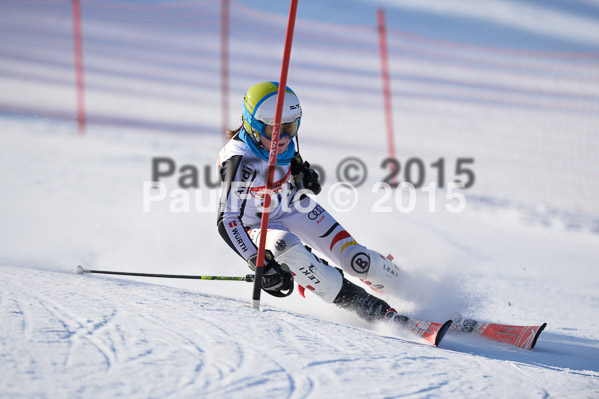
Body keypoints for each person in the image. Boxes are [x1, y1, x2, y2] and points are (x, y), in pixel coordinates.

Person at [217, 81, 406, 323]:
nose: (284, 137)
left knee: (357, 260)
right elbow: (227, 219)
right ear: (254, 127)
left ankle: (410, 287)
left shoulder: (280, 143)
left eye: (291, 127)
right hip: (255, 224)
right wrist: (259, 261)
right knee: (286, 247)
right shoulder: (239, 160)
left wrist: (301, 176)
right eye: (275, 131)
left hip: (291, 205)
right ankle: (367, 305)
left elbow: (289, 166)